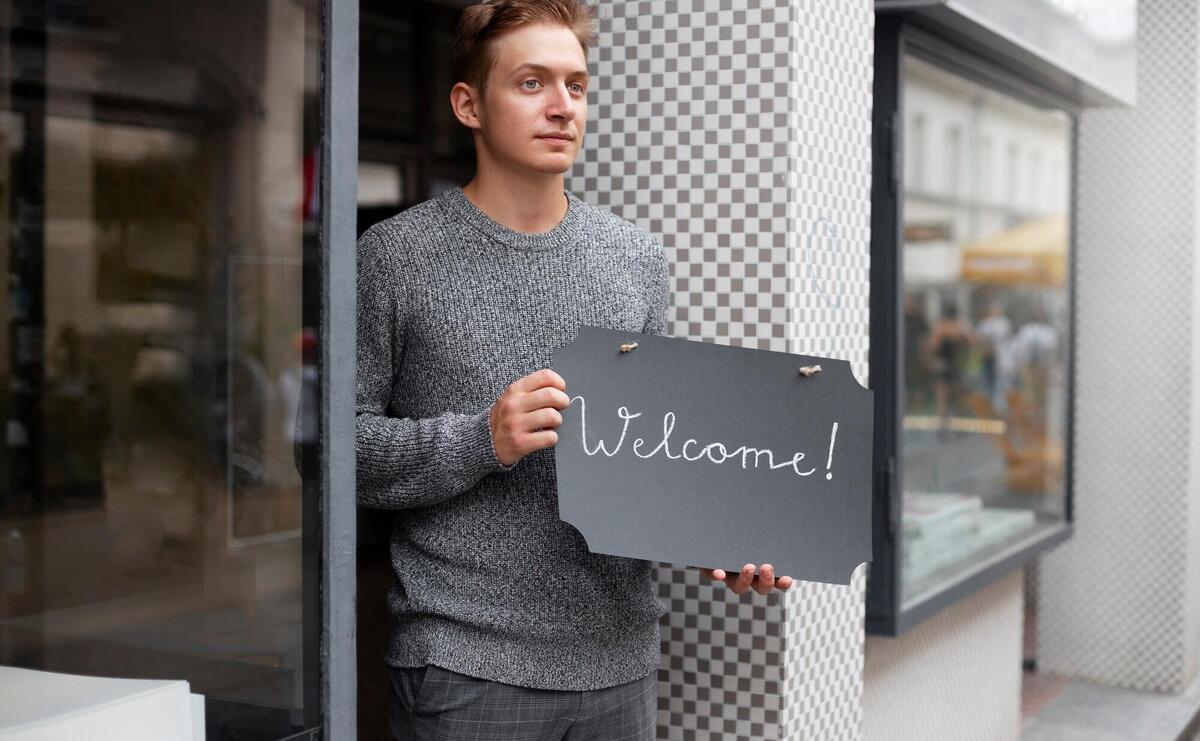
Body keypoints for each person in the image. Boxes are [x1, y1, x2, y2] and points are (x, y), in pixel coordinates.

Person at [354, 2, 793, 739]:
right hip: (463, 665)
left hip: (619, 664)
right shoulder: (395, 256)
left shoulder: (637, 259)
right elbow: (342, 453)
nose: (563, 107)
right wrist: (481, 439)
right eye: (532, 83)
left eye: (577, 86)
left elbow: (655, 454)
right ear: (469, 104)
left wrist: (720, 531)